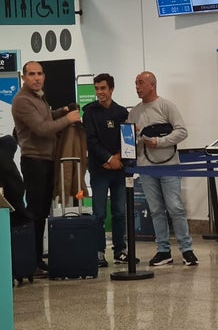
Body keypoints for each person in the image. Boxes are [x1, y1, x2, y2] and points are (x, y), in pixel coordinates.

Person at [11, 61, 81, 276]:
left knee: (42, 212)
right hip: (34, 162)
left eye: (40, 73)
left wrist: (62, 111)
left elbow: (47, 118)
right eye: (31, 74)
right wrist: (67, 119)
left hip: (46, 161)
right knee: (36, 212)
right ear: (23, 77)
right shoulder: (22, 101)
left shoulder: (38, 97)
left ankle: (37, 259)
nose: (36, 77)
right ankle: (31, 261)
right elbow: (42, 129)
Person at [128, 71, 197, 266]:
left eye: (141, 83)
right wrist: (136, 138)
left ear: (152, 85)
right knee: (156, 210)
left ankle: (187, 249)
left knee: (175, 208)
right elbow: (128, 140)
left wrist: (159, 141)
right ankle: (163, 250)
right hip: (146, 168)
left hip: (169, 166)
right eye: (135, 83)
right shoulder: (134, 112)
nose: (137, 87)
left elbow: (182, 131)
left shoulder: (167, 106)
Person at [82, 73, 138, 267]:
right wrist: (107, 158)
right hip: (100, 170)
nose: (99, 93)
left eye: (103, 88)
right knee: (98, 213)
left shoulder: (122, 113)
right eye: (97, 89)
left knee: (119, 212)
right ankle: (98, 252)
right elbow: (91, 141)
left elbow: (127, 139)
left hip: (119, 169)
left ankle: (120, 250)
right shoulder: (89, 112)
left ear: (111, 89)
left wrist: (118, 159)